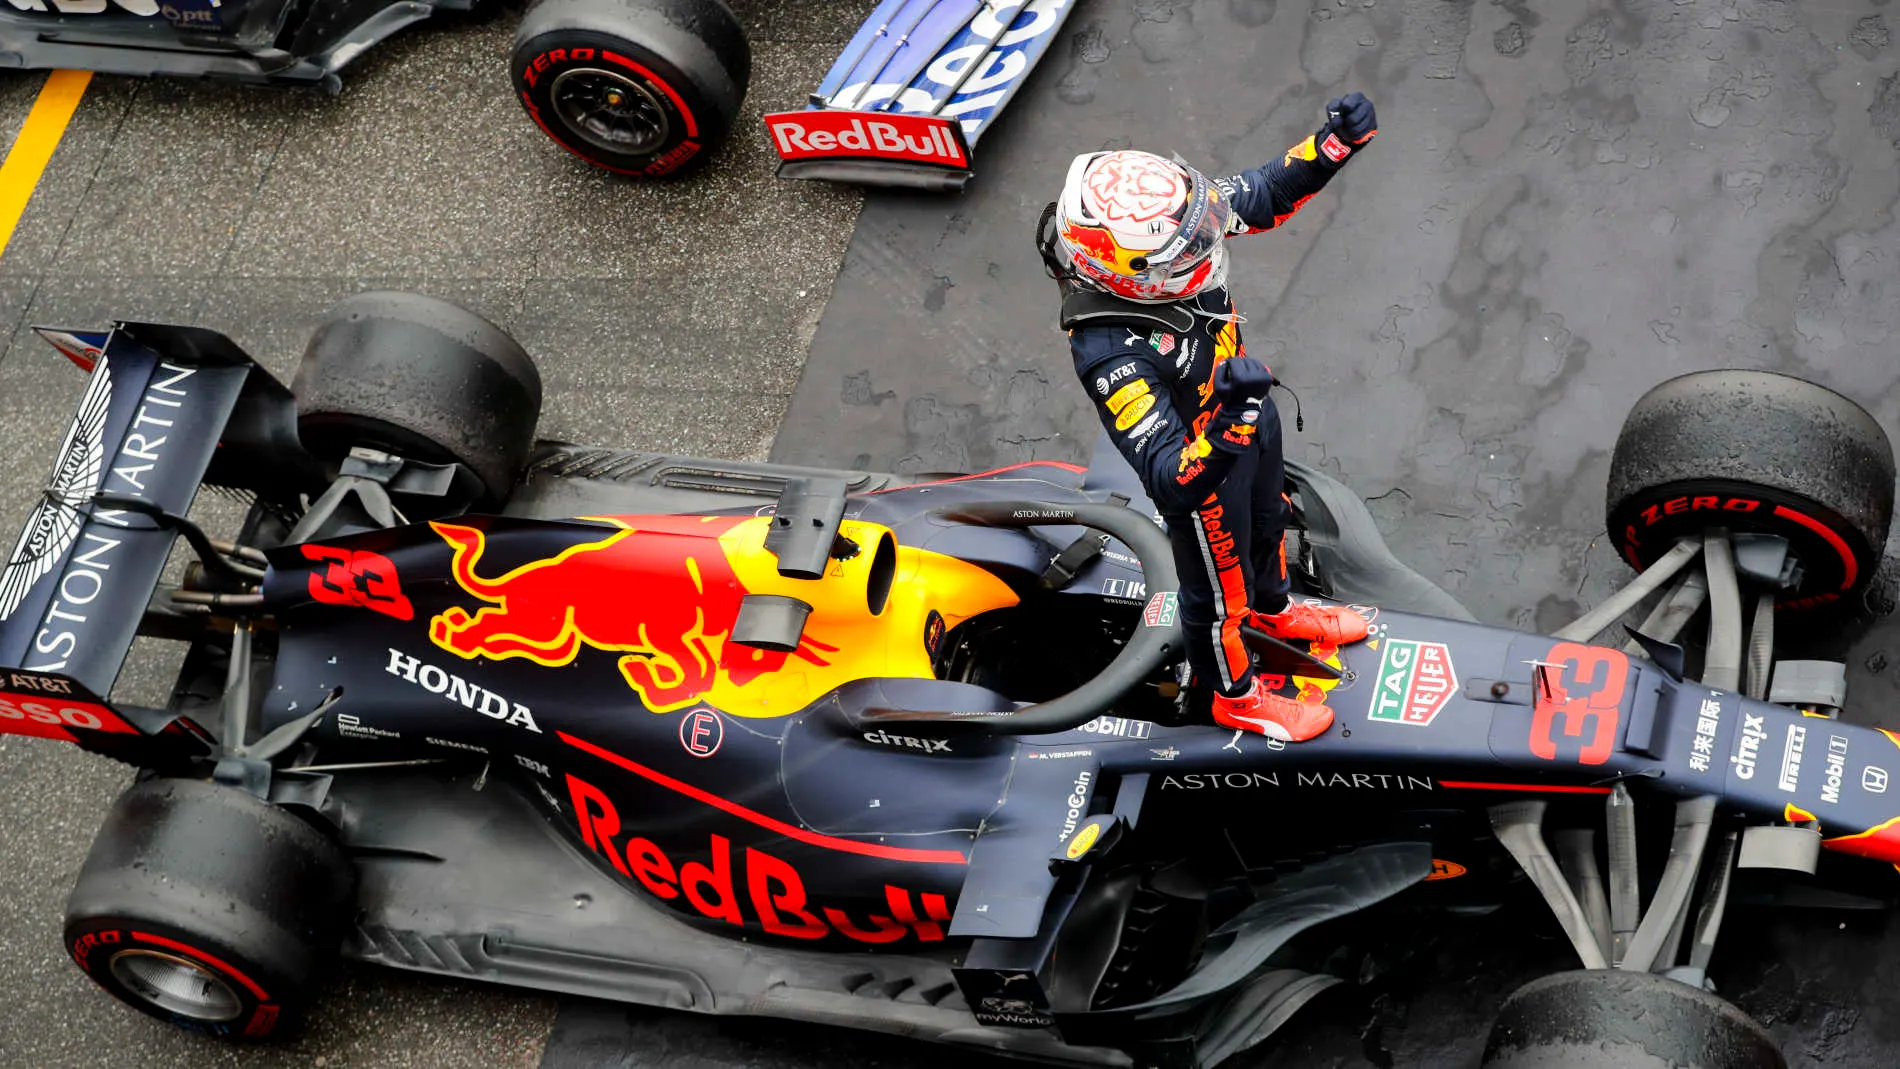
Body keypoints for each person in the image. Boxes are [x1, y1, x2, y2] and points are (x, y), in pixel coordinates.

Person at [1035, 93, 1380, 742]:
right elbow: (1168, 476)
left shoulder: (1174, 221)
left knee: (1274, 521)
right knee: (1217, 598)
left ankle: (1277, 613)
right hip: (1206, 469)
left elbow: (1259, 193)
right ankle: (1236, 695)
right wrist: (1230, 420)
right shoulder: (1106, 350)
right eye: (1190, 246)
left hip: (1247, 416)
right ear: (1127, 272)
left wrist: (1331, 146)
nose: (1208, 242)